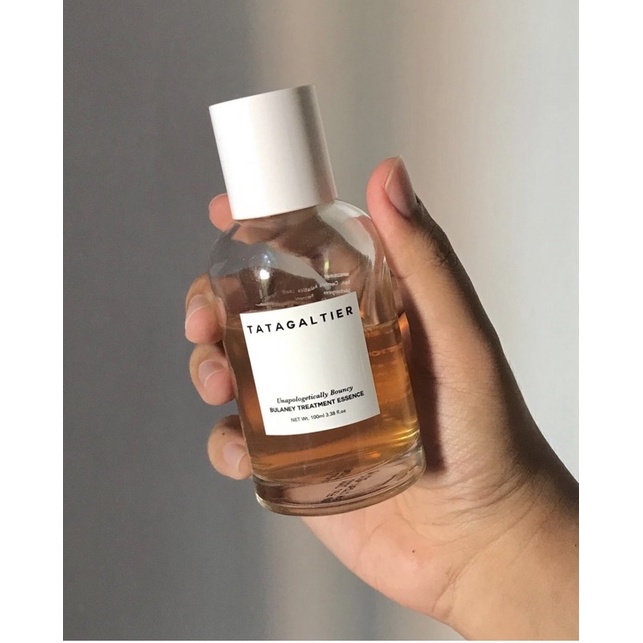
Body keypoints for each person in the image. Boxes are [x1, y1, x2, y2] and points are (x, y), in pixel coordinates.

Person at [184, 156, 579, 640]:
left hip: (405, 461)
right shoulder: (235, 257)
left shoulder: (350, 231)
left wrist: (499, 529)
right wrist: (489, 547)